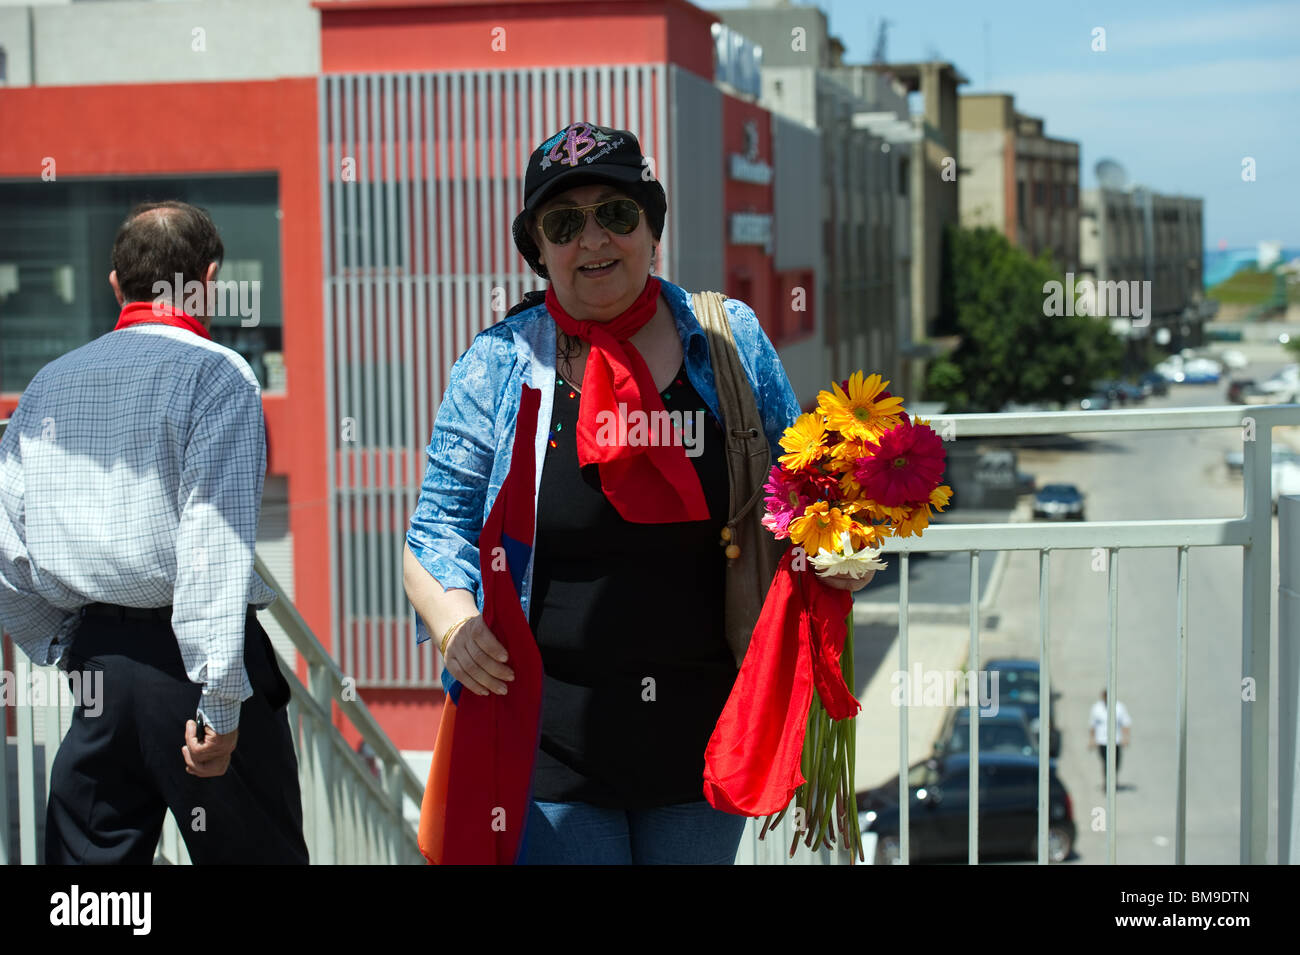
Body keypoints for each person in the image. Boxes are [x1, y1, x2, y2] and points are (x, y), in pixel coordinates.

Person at [404, 122, 874, 865]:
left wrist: (839, 545)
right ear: (538, 249)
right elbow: (437, 530)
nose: (593, 240)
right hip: (549, 740)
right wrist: (453, 620)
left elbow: (800, 488)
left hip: (705, 739)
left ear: (651, 227)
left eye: (617, 214)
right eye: (564, 224)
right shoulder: (498, 362)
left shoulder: (728, 340)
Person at [0, 200, 309, 864]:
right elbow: (211, 545)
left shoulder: (47, 387)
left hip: (99, 664)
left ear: (116, 285)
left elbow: (7, 545)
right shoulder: (219, 375)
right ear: (211, 279)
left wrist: (63, 642)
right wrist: (222, 702)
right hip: (192, 670)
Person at [1088, 687, 1132, 790]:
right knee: (1106, 762)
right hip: (1102, 741)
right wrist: (1091, 740)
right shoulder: (1097, 708)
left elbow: (1125, 723)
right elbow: (1092, 725)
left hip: (1115, 740)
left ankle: (1113, 780)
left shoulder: (1119, 707)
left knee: (1116, 762)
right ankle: (1107, 783)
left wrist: (1125, 738)